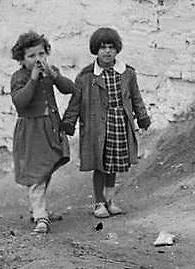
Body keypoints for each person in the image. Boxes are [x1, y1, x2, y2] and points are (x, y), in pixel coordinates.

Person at [61, 27, 151, 219]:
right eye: (102, 48)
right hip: (97, 127)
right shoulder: (86, 77)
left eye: (111, 47)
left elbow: (136, 98)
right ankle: (99, 203)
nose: (107, 51)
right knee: (100, 165)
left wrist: (142, 116)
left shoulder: (127, 73)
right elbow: (75, 102)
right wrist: (69, 122)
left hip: (120, 123)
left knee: (114, 164)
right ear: (96, 50)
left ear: (117, 49)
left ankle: (110, 200)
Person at [10, 31, 74, 234]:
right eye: (31, 56)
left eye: (41, 54)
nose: (38, 59)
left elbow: (68, 88)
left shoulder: (50, 71)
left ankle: (40, 207)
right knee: (38, 172)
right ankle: (40, 216)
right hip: (32, 130)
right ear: (21, 59)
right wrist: (33, 80)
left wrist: (54, 76)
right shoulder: (19, 77)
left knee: (46, 168)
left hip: (50, 127)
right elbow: (21, 103)